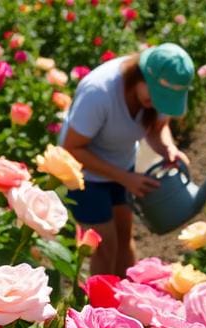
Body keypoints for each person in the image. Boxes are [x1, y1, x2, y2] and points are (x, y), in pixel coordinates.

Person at [61, 44, 194, 277]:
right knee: (105, 246)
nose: (156, 103)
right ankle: (99, 309)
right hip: (84, 174)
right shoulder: (99, 92)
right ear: (139, 76)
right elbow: (71, 149)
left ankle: (127, 300)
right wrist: (125, 178)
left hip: (123, 165)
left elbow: (157, 129)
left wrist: (168, 149)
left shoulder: (156, 94)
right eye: (155, 96)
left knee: (124, 236)